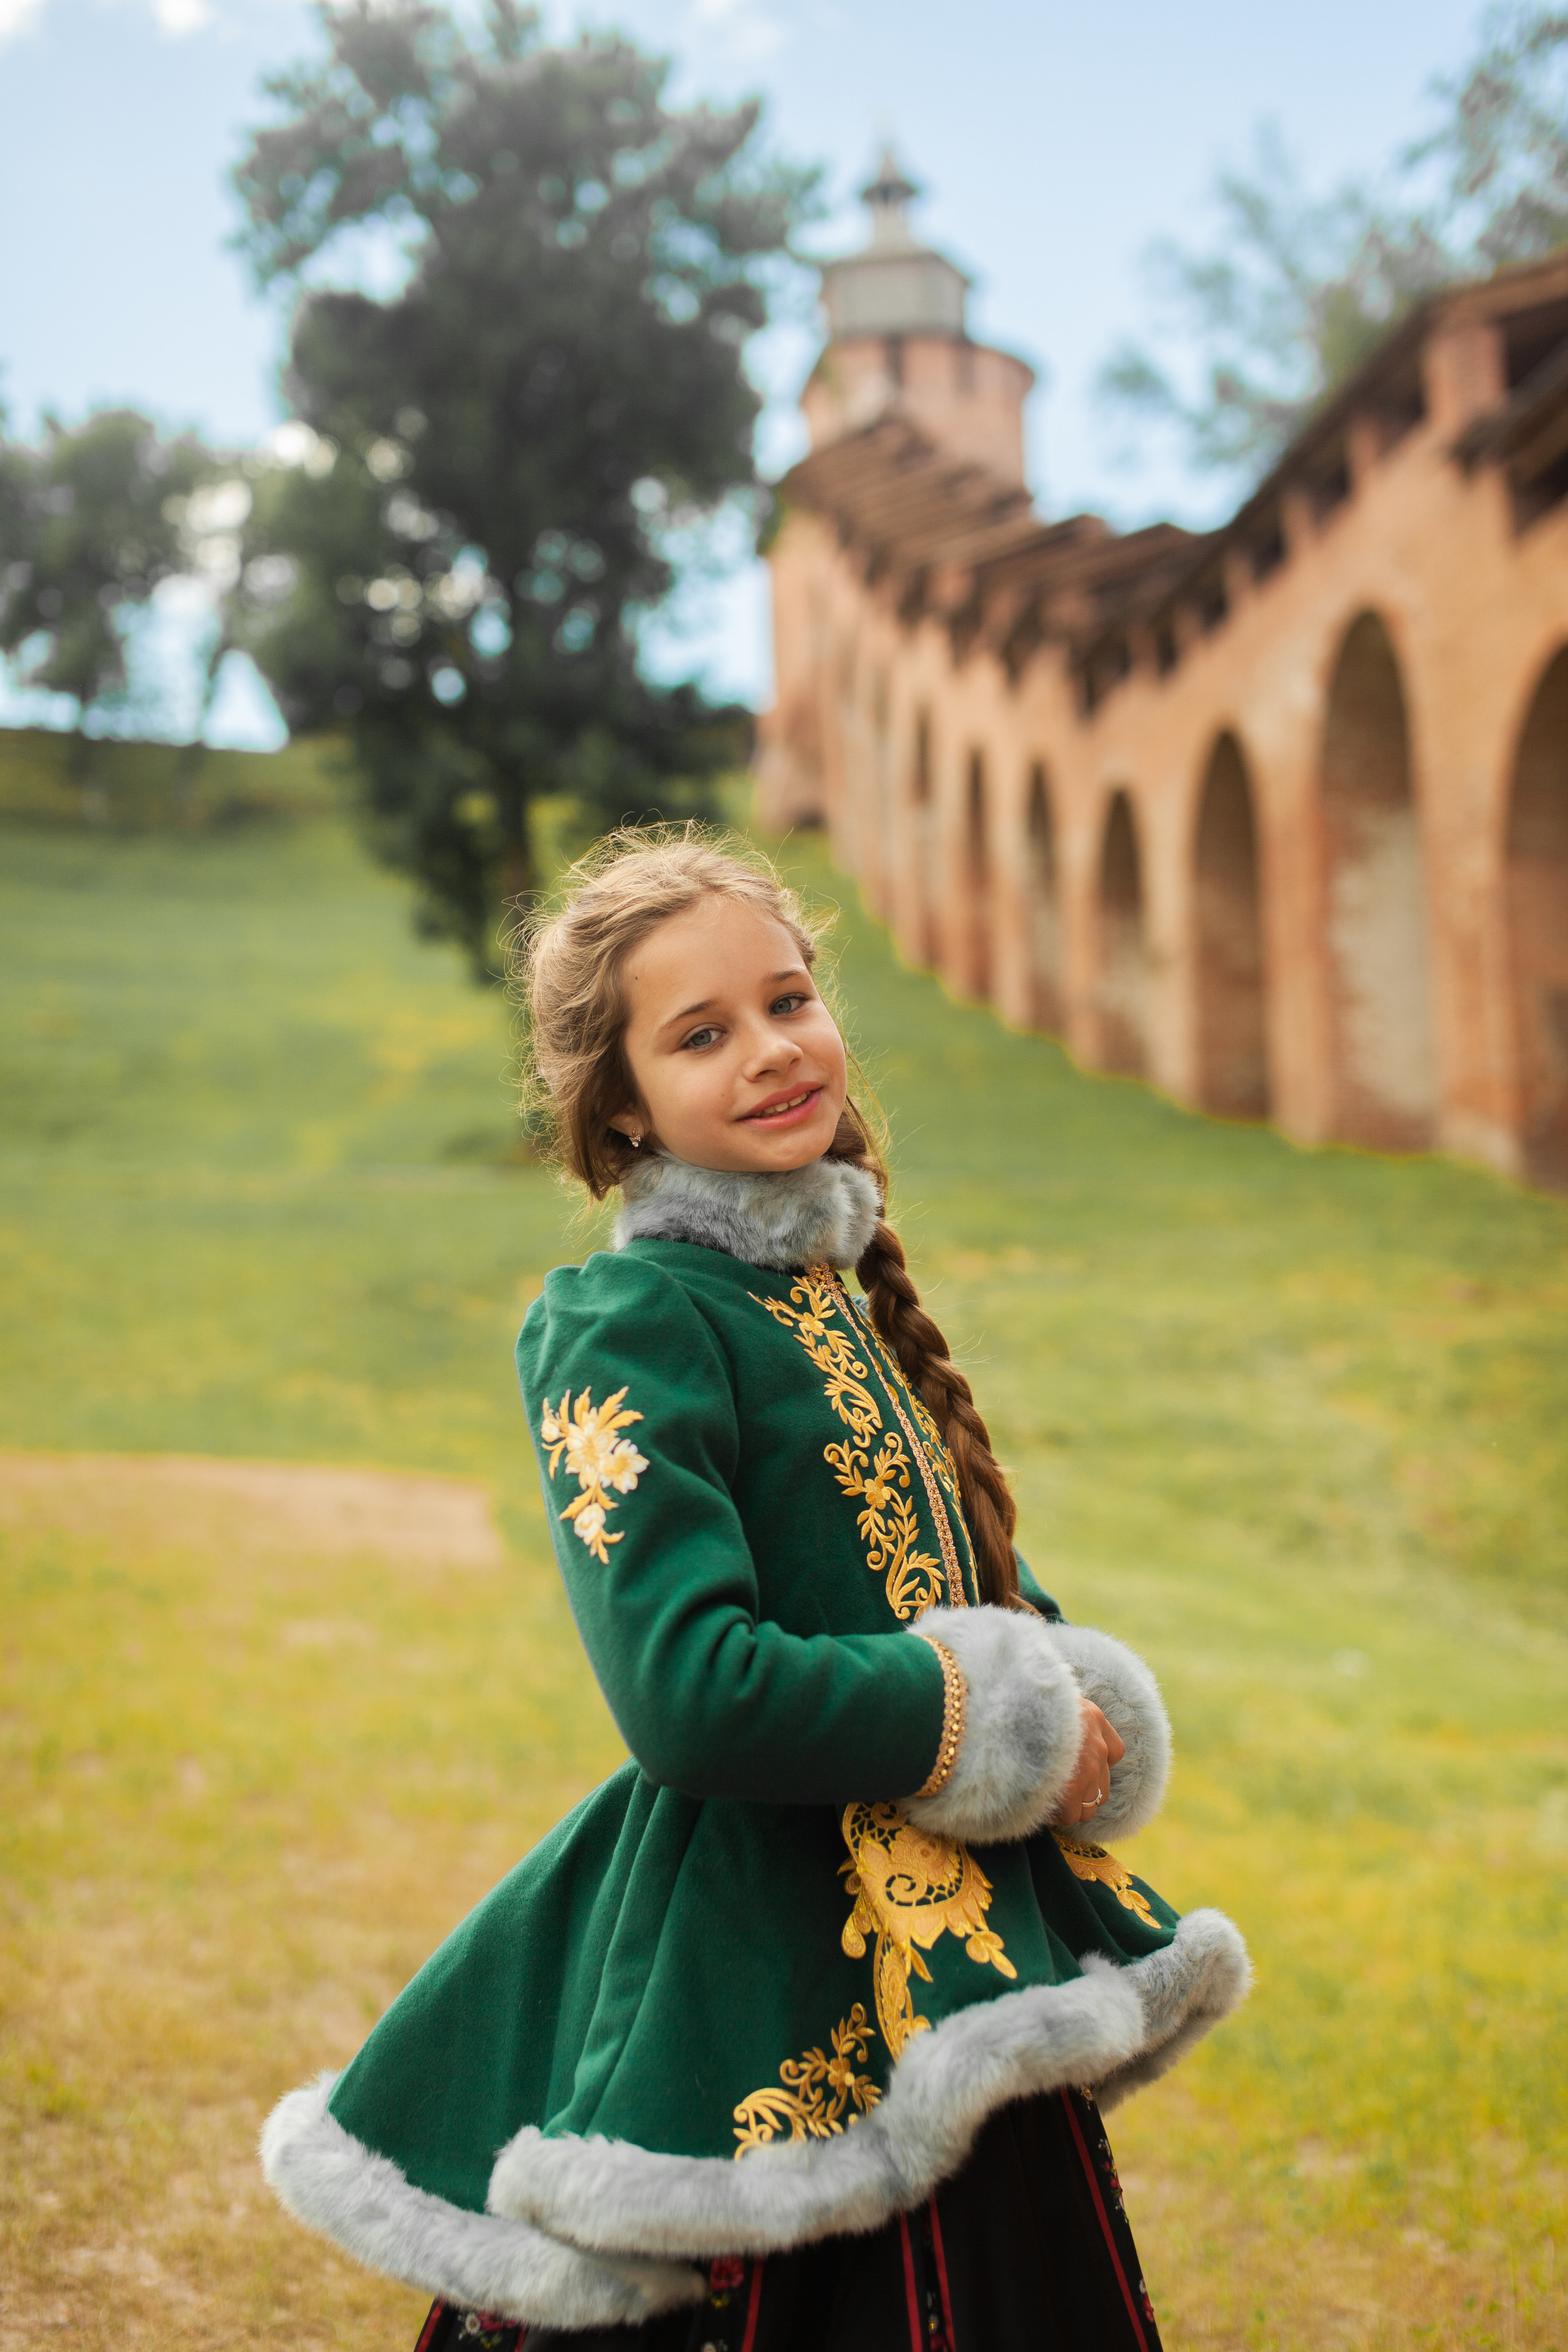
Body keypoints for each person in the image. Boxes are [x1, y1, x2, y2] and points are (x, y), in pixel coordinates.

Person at [262, 831, 1249, 2350]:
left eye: (788, 1001)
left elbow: (944, 1566)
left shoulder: (829, 1295)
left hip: (950, 1957)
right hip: (749, 1953)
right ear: (622, 1101)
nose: (772, 1052)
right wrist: (986, 1716)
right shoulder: (631, 1319)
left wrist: (1066, 1694)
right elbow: (689, 1692)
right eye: (700, 1034)